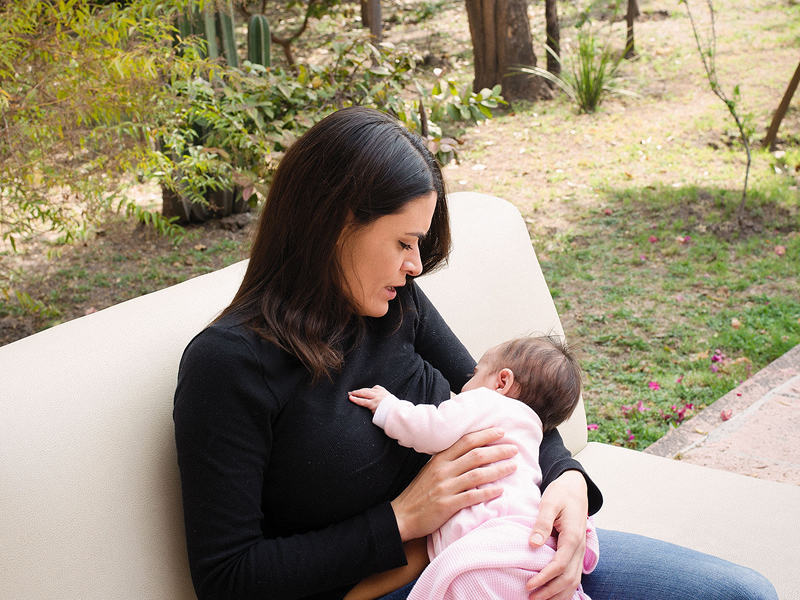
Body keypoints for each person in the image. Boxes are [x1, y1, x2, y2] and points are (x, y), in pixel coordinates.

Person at [173, 106, 779, 600]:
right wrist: (403, 517)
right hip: (407, 583)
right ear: (334, 224)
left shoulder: (394, 302)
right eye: (404, 242)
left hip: (507, 544)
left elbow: (500, 398)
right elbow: (227, 577)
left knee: (742, 594)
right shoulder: (229, 367)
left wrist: (566, 479)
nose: (415, 266)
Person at [348, 336, 600, 600]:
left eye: (474, 373)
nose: (463, 385)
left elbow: (432, 429)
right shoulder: (532, 431)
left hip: (486, 545)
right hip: (527, 540)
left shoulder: (485, 401)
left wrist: (388, 407)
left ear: (502, 382)